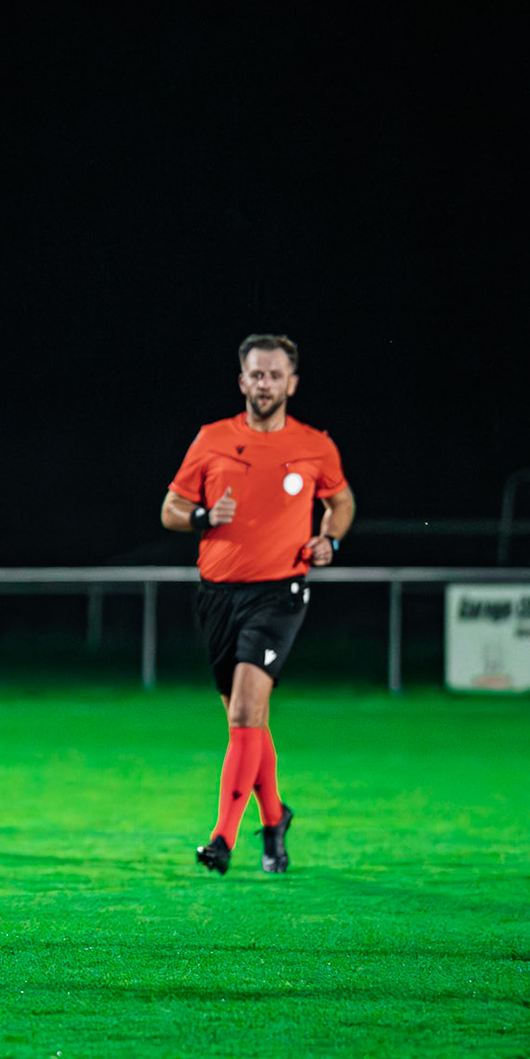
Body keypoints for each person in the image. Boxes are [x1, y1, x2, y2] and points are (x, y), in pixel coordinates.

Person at [161, 333, 356, 876]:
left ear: (291, 383)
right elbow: (171, 509)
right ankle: (275, 821)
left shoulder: (316, 445)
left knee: (247, 711)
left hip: (280, 593)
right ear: (242, 380)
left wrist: (329, 540)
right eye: (256, 374)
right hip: (219, 595)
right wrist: (203, 518)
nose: (265, 383)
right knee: (247, 721)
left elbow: (340, 501)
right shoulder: (212, 439)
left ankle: (222, 838)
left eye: (275, 375)